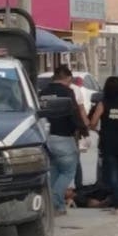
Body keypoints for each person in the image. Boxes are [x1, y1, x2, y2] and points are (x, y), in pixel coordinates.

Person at [39, 66, 87, 214]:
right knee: (67, 171)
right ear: (67, 78)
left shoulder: (43, 93)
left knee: (53, 171)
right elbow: (74, 114)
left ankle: (50, 206)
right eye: (69, 81)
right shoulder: (67, 92)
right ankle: (57, 203)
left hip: (46, 137)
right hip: (64, 138)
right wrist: (83, 130)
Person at [90, 77, 118, 213]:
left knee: (113, 174)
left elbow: (92, 122)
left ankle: (117, 205)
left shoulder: (103, 103)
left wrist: (99, 131)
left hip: (108, 143)